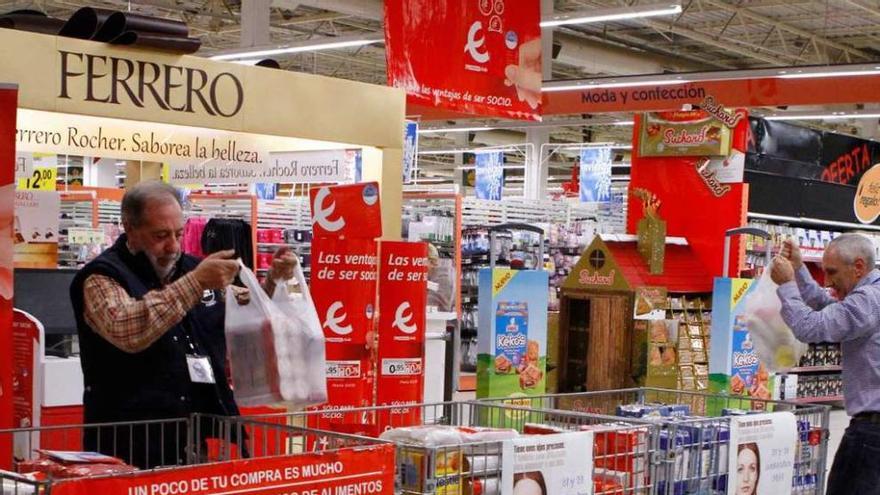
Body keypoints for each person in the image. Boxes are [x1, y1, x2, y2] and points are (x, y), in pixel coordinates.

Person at [69, 181, 297, 469]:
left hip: (190, 440)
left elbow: (248, 310)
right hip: (125, 446)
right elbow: (127, 328)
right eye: (161, 235)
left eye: (179, 233)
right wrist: (196, 282)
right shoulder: (102, 277)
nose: (173, 246)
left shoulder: (192, 267)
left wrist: (274, 280)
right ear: (130, 228)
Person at [770, 233, 880, 494]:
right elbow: (830, 307)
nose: (828, 281)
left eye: (832, 272)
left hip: (872, 433)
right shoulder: (870, 297)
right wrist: (799, 269)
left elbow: (811, 326)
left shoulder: (867, 301)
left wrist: (786, 285)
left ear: (859, 267)